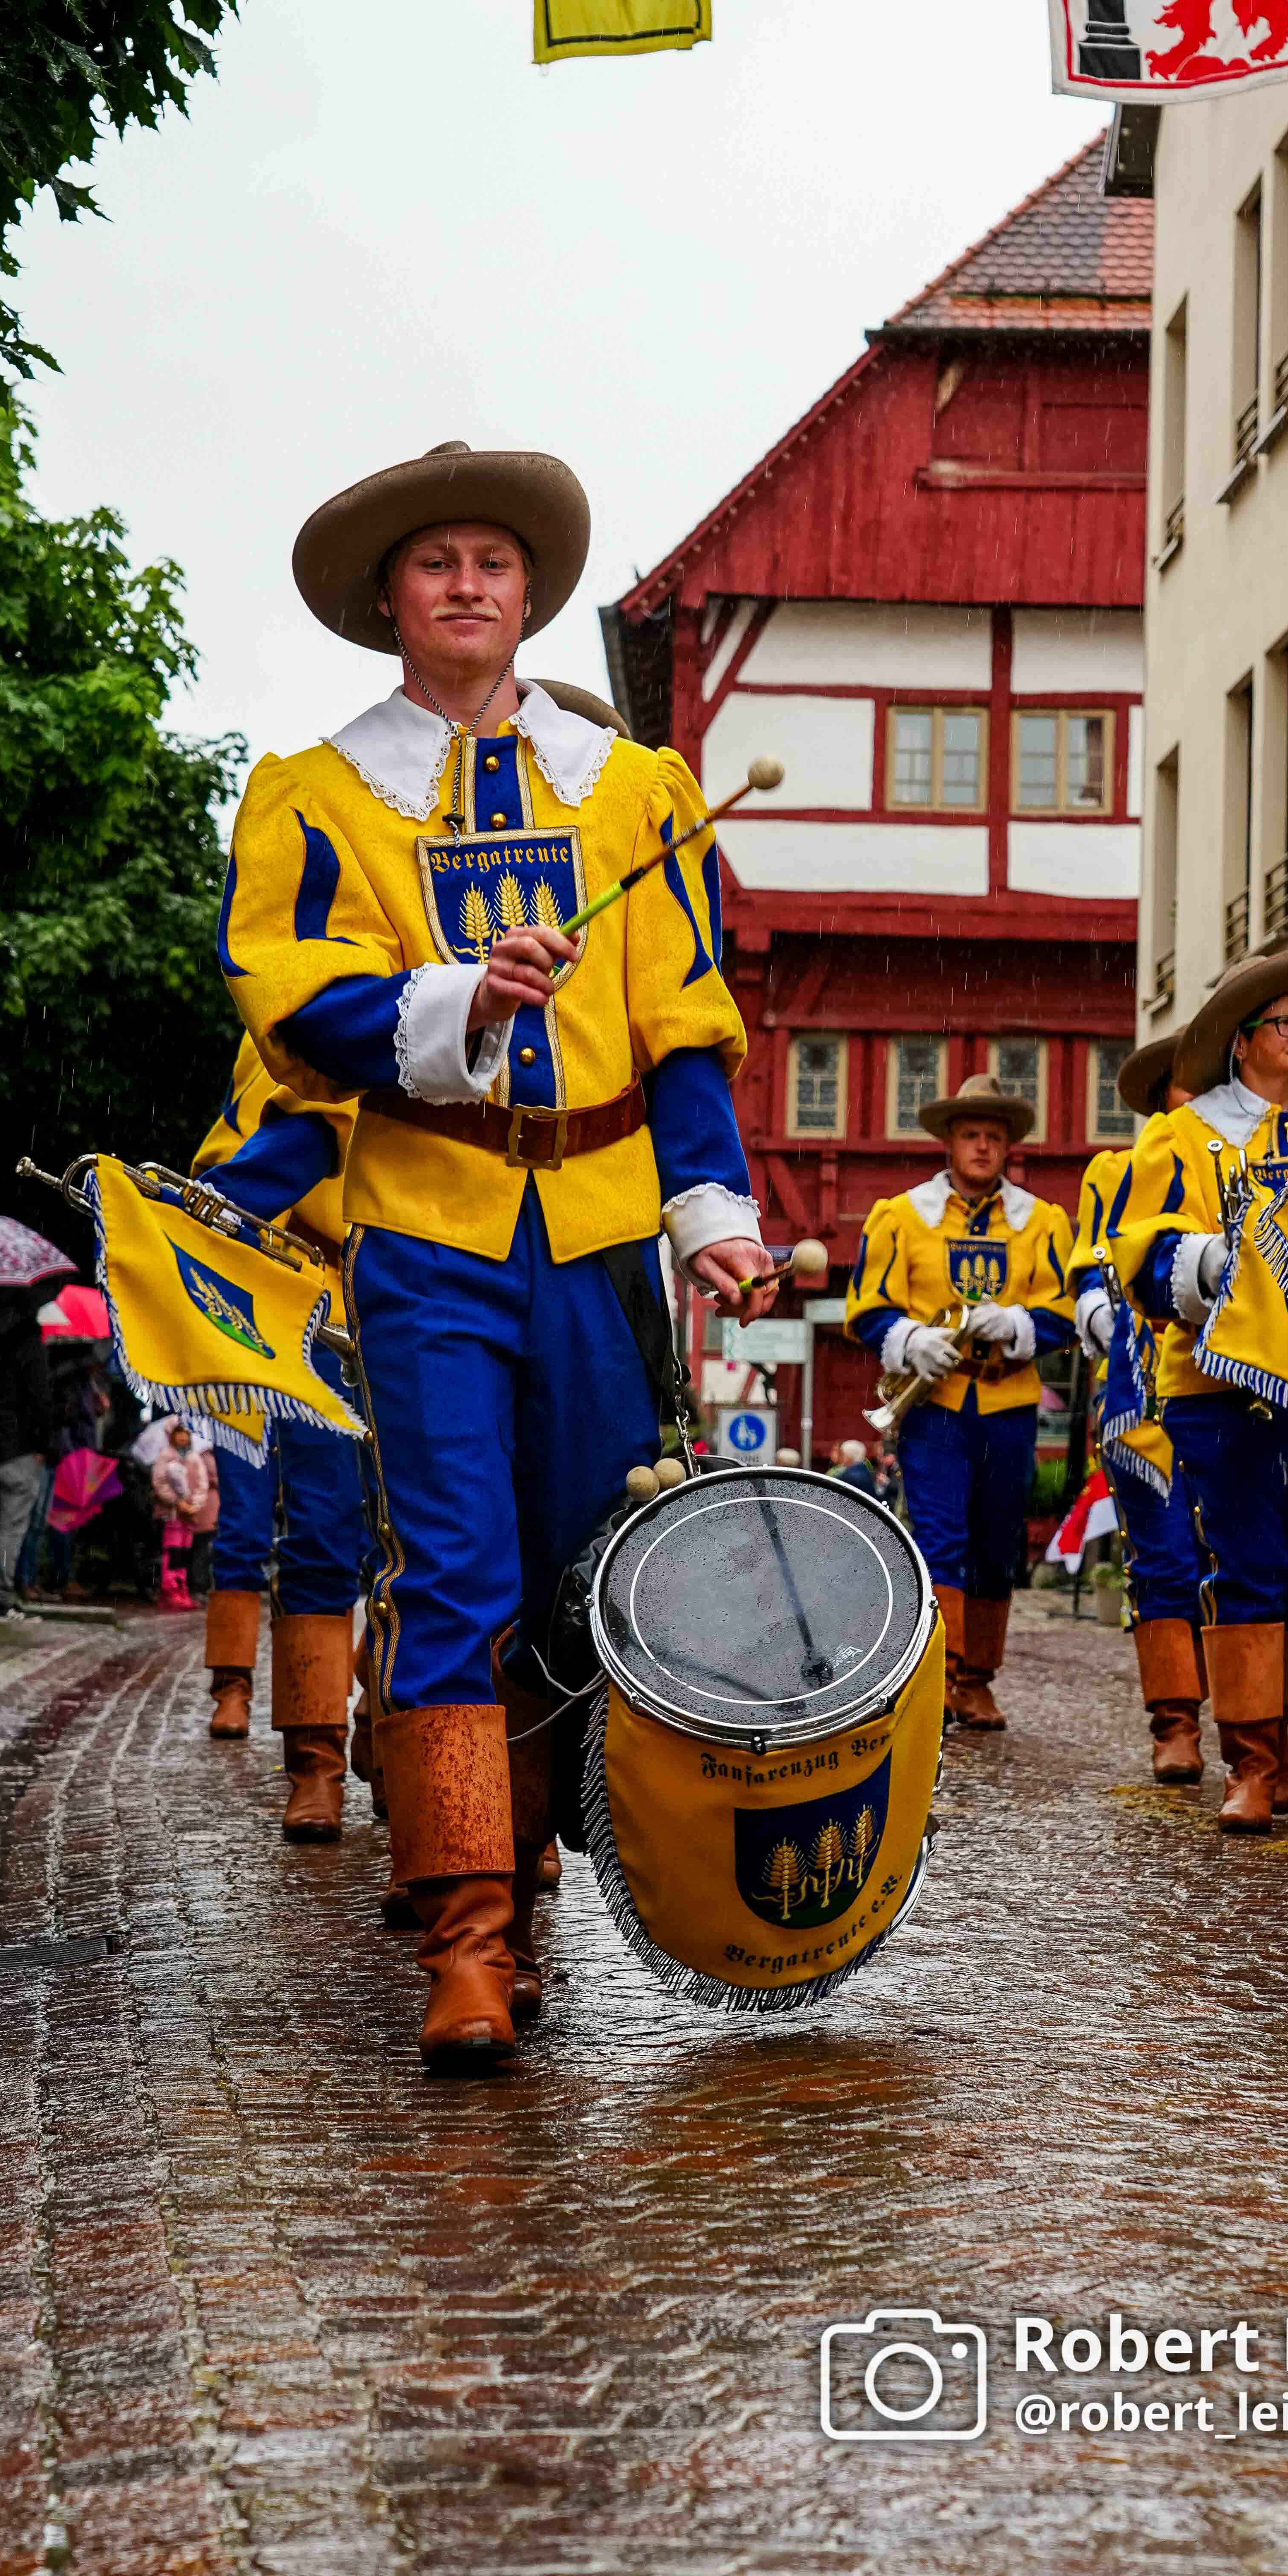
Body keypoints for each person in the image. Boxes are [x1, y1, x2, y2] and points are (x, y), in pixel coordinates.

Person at [220, 440, 770, 2070]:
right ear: (389, 600)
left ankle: (528, 1887)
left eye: (494, 562)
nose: (467, 584)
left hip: (600, 1240)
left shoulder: (639, 794)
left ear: (527, 593)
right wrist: (460, 999)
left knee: (576, 1580)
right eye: (434, 563)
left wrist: (715, 1219)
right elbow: (292, 1003)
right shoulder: (313, 794)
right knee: (455, 1566)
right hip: (423, 1231)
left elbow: (682, 1031)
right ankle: (467, 1940)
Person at [1112, 953, 1288, 1834]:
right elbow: (1142, 1253)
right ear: (1242, 1045)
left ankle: (1270, 1719)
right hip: (1217, 1378)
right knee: (1250, 1567)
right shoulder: (1181, 1137)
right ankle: (1253, 1758)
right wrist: (1204, 1263)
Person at [843, 1072, 1074, 1731]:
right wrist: (911, 1340)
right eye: (971, 1135)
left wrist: (1020, 1326)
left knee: (998, 1545)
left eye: (994, 1138)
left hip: (1008, 1405)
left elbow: (1062, 1311)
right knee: (941, 1538)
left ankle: (979, 1680)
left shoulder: (1043, 1222)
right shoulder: (900, 1215)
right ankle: (940, 1674)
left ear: (1008, 1148)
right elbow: (866, 1310)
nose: (982, 1147)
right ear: (949, 1141)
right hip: (935, 1407)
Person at [190, 1034, 369, 1841]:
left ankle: (405, 1740)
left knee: (439, 1541)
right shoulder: (291, 1025)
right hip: (293, 1318)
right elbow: (230, 1166)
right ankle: (314, 1757)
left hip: (433, 1295)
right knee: (300, 1526)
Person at [1067, 1033, 1210, 1784]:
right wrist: (1096, 1310)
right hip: (1140, 1393)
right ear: (1161, 1099)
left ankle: (1259, 1729)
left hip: (1236, 1391)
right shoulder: (1118, 1170)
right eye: (1185, 1089)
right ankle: (1176, 1721)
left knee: (1246, 1562)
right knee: (1163, 1555)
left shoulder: (1256, 1159)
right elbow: (1092, 1260)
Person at [0, 1285, 52, 1615]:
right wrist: (43, 1445)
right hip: (21, 1450)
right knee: (11, 1529)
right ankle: (0, 1596)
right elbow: (41, 1400)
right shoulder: (31, 1346)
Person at [150, 1420, 217, 1608]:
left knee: (185, 1553)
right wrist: (177, 1502)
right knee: (173, 1552)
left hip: (190, 1516)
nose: (183, 1437)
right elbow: (160, 1483)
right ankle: (170, 1589)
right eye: (179, 1433)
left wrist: (194, 1505)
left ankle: (181, 1588)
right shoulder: (165, 1457)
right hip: (172, 1514)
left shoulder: (194, 1458)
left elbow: (203, 1484)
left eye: (186, 1433)